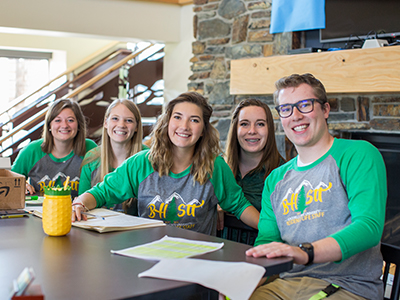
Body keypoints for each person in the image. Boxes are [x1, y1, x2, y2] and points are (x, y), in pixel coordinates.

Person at [246, 73, 387, 299]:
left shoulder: (358, 154)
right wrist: (241, 284)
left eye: (305, 105)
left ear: (325, 109)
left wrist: (305, 253)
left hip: (347, 286)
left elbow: (369, 228)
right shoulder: (275, 180)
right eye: (286, 109)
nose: (296, 116)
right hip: (285, 284)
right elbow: (267, 243)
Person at [72, 91, 259, 235]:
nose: (184, 126)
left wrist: (274, 231)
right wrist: (79, 204)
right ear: (167, 122)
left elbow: (240, 205)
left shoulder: (214, 166)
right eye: (177, 117)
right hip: (148, 254)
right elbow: (102, 192)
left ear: (203, 130)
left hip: (196, 258)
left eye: (194, 120)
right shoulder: (141, 163)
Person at [218, 99, 285, 244]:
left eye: (260, 124)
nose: (252, 131)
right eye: (244, 124)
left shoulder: (283, 174)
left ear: (270, 129)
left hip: (262, 255)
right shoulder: (217, 168)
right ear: (235, 129)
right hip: (216, 255)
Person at [12, 98, 97, 198]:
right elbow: (9, 180)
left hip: (79, 211)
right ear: (49, 125)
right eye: (58, 120)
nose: (64, 125)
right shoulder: (31, 150)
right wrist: (21, 186)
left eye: (70, 120)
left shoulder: (90, 149)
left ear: (78, 125)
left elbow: (103, 185)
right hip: (40, 211)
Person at [79, 99, 148, 214]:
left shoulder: (146, 158)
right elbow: (82, 204)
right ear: (106, 123)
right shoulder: (92, 158)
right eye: (115, 118)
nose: (121, 125)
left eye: (129, 120)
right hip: (97, 226)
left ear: (136, 127)